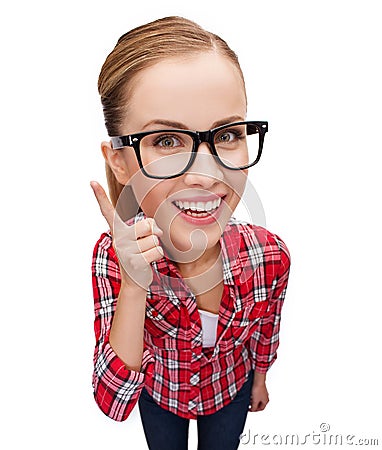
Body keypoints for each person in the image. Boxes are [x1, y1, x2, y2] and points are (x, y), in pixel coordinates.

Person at [90, 16, 291, 450]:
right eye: (166, 140)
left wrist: (259, 380)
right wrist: (133, 284)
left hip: (229, 393)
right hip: (161, 397)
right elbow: (114, 401)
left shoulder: (269, 254)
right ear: (120, 161)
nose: (206, 173)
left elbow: (266, 331)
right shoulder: (115, 256)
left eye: (228, 134)